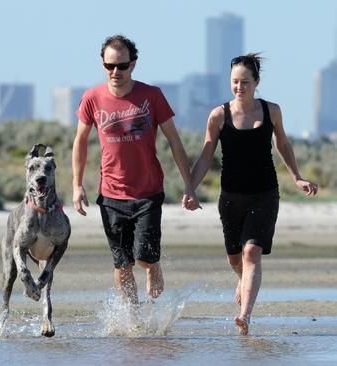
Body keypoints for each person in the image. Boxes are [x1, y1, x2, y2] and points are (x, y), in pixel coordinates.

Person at [187, 53, 319, 335]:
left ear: (257, 82)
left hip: (265, 193)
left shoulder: (271, 111)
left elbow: (282, 142)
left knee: (251, 251)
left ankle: (244, 315)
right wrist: (190, 188)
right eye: (235, 81)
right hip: (231, 196)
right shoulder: (218, 115)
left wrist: (296, 177)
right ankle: (243, 280)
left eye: (245, 82)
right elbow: (206, 156)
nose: (239, 87)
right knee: (235, 259)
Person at [72, 34, 198, 308]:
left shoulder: (151, 95)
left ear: (133, 64)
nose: (115, 72)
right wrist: (77, 185)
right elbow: (80, 142)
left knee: (143, 257)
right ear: (103, 65)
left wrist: (189, 185)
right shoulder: (92, 98)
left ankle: (153, 266)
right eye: (109, 66)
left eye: (121, 65)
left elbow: (174, 141)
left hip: (148, 192)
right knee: (123, 263)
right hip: (111, 195)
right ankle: (132, 315)